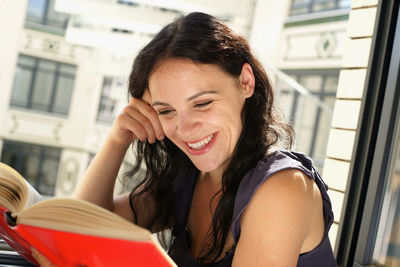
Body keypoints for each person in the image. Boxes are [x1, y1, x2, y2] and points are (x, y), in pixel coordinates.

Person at [34, 12, 336, 267]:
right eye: (166, 111)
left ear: (245, 82)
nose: (186, 128)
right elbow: (80, 230)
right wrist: (117, 139)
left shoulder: (283, 188)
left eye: (202, 104)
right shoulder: (188, 179)